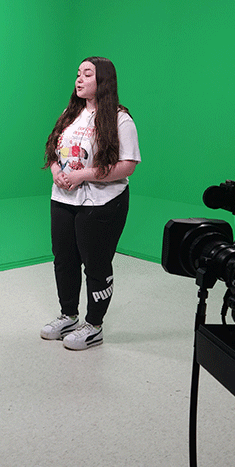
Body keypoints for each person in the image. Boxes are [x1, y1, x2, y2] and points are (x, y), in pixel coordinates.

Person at [40, 56, 141, 350]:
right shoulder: (69, 114)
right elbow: (54, 152)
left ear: (104, 81)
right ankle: (68, 315)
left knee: (95, 264)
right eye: (78, 74)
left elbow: (128, 166)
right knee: (64, 259)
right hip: (63, 199)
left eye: (87, 74)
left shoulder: (121, 119)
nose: (79, 80)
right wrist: (58, 172)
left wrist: (84, 175)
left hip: (102, 203)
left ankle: (94, 325)